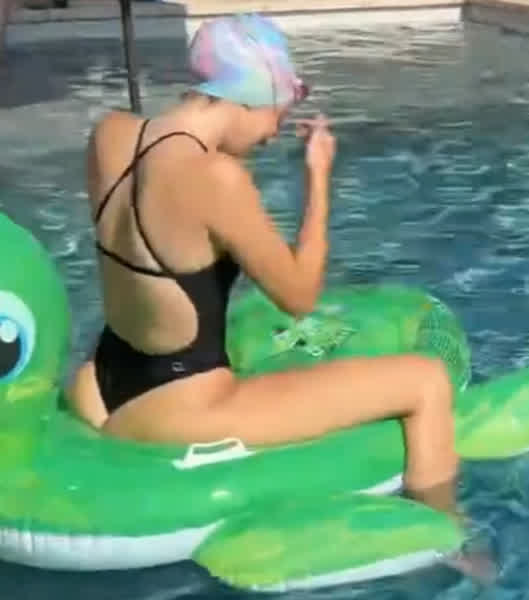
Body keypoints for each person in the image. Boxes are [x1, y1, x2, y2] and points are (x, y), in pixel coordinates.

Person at [68, 13, 459, 518]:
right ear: (249, 97)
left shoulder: (111, 134)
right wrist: (318, 178)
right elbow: (300, 297)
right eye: (278, 113)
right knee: (427, 381)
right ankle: (451, 540)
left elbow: (169, 226)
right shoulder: (215, 178)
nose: (273, 134)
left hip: (100, 382)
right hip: (176, 406)